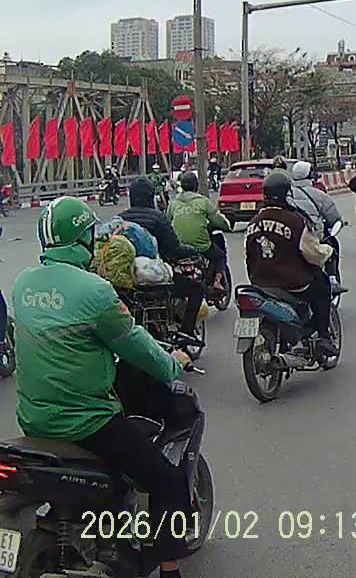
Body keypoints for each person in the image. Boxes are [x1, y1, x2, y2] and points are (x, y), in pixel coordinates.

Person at [13, 196, 191, 578]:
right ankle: (170, 568)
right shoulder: (95, 291)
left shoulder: (22, 284)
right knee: (167, 480)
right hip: (87, 424)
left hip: (33, 420)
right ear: (83, 238)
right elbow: (138, 347)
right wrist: (172, 364)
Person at [245, 171, 338, 358]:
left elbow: (249, 254)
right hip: (291, 283)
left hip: (259, 282)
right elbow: (313, 254)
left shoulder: (253, 223)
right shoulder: (295, 221)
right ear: (287, 194)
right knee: (322, 286)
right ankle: (323, 337)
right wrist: (328, 251)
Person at [121, 178, 204, 344]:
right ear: (151, 197)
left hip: (127, 283)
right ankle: (186, 331)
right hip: (156, 280)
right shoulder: (158, 218)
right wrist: (193, 251)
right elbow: (174, 248)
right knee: (197, 289)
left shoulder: (120, 220)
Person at [167, 172, 232, 290]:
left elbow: (167, 222)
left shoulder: (173, 204)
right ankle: (217, 281)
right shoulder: (203, 202)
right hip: (201, 246)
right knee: (219, 256)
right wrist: (227, 226)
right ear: (196, 186)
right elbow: (218, 221)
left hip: (179, 246)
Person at [289, 161, 343, 280]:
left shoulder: (287, 195)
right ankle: (332, 279)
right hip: (313, 238)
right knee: (332, 248)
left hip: (289, 237)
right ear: (310, 175)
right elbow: (334, 219)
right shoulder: (320, 195)